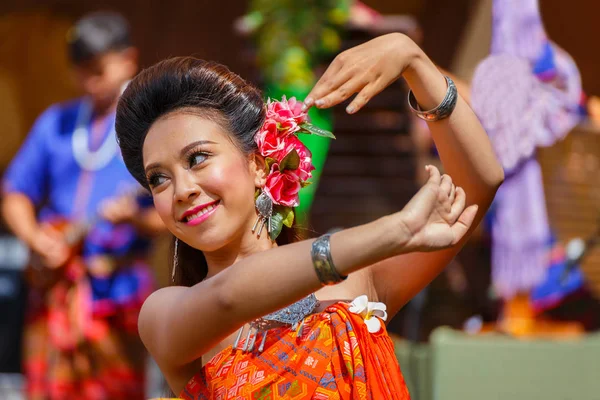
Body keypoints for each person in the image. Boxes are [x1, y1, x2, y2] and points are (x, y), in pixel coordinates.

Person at [115, 32, 503, 398]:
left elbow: (479, 183)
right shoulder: (164, 315)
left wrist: (414, 61)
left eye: (197, 158)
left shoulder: (355, 284)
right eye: (158, 179)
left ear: (259, 164)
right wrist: (393, 231)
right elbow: (229, 297)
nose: (181, 189)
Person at [1, 11, 163, 399]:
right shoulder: (56, 122)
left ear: (128, 59)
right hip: (54, 286)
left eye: (98, 70)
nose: (88, 82)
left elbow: (174, 214)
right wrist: (36, 239)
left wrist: (137, 219)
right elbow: (15, 193)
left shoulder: (153, 127)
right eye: (80, 71)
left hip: (117, 291)